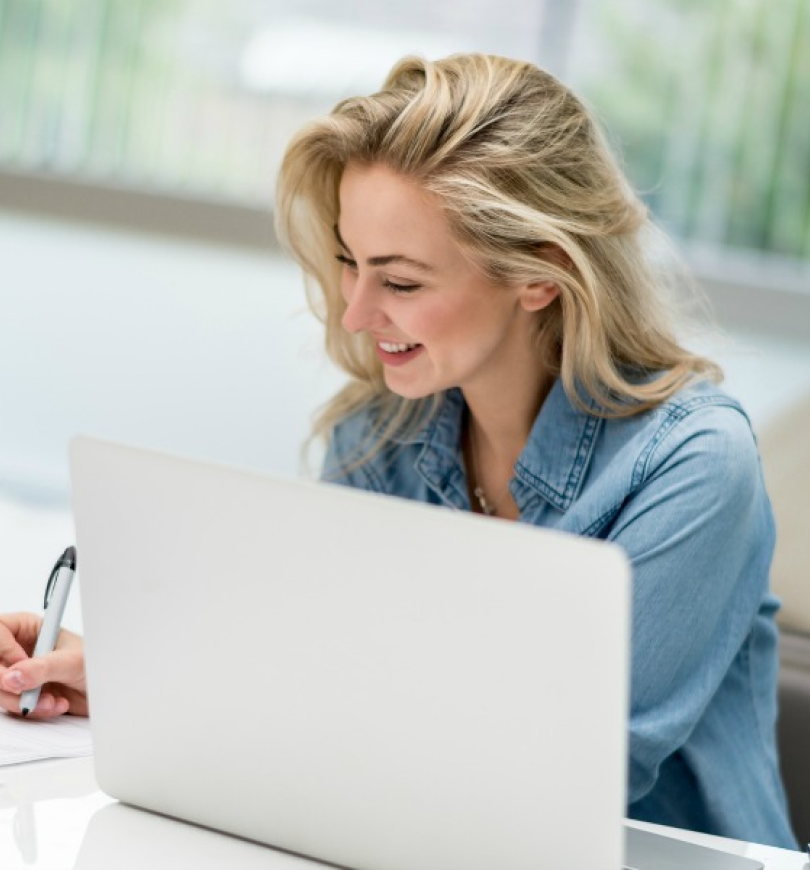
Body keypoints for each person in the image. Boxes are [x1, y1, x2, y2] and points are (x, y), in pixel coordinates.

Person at [0, 53, 797, 849]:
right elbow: (323, 687)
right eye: (350, 262)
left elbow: (557, 784)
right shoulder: (381, 432)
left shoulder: (694, 464)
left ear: (540, 275)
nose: (355, 314)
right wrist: (132, 680)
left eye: (402, 282)